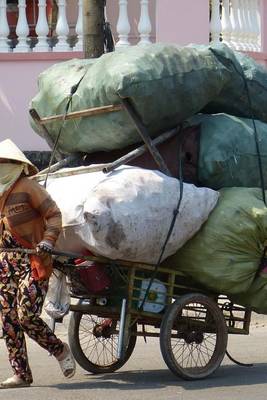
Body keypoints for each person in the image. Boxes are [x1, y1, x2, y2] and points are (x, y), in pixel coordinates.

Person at [0, 139, 76, 389]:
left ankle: (60, 350)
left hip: (34, 259)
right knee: (9, 321)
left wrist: (48, 239)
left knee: (26, 316)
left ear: (14, 165)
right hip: (5, 264)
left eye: (2, 163)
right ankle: (21, 374)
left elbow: (53, 214)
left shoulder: (27, 187)